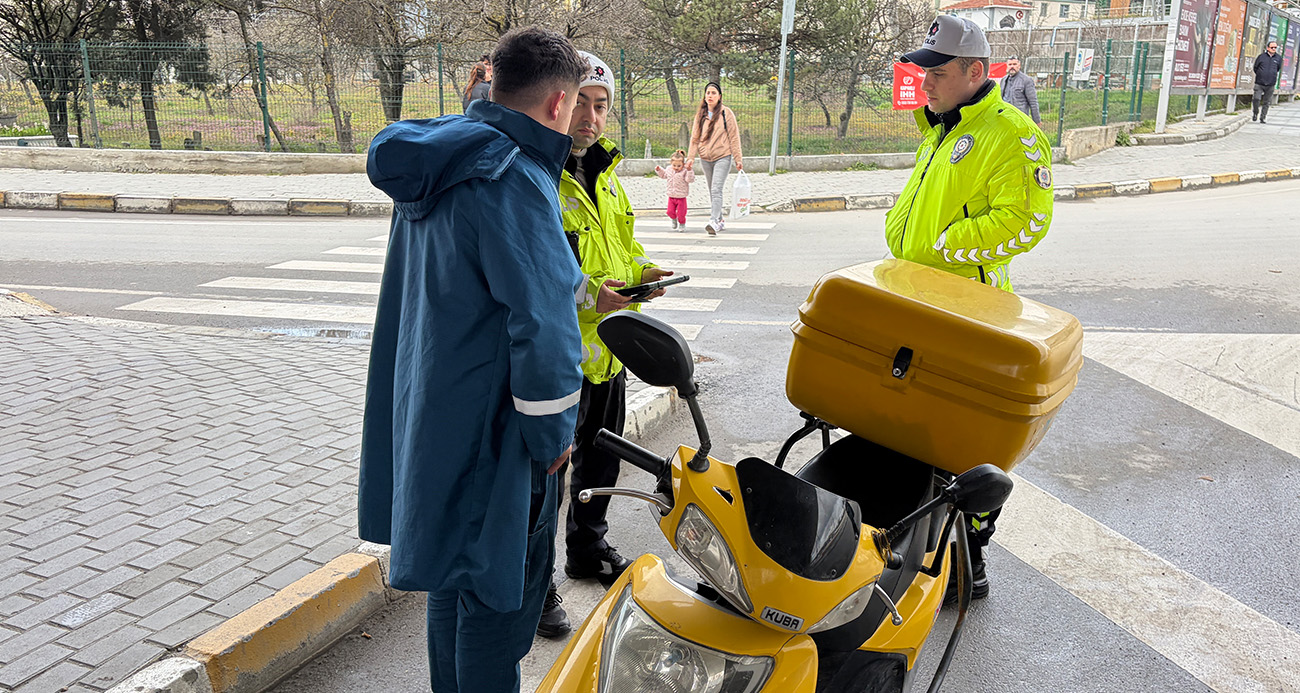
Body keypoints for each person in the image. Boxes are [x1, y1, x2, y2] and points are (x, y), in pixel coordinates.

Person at [357, 26, 589, 693]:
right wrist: (552, 436)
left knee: (452, 578)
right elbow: (543, 326)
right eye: (576, 105)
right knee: (498, 600)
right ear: (555, 105)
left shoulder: (444, 157)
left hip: (434, 414)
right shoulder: (514, 175)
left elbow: (490, 275)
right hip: (496, 431)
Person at [884, 15, 1055, 600]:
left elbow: (1027, 222)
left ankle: (970, 558)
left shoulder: (1013, 133)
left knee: (969, 443)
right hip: (920, 301)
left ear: (975, 72)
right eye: (923, 69)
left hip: (970, 309)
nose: (924, 80)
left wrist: (942, 246)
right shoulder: (943, 125)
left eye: (937, 70)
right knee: (913, 430)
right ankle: (920, 545)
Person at [535, 50, 674, 639]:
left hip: (608, 353)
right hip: (561, 360)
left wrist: (646, 274)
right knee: (545, 483)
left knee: (600, 461)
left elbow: (620, 253)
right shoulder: (541, 178)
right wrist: (596, 296)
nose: (590, 118)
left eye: (601, 107)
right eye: (581, 105)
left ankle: (587, 551)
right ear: (559, 104)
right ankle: (535, 587)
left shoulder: (606, 175)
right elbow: (541, 278)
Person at [686, 81, 742, 236]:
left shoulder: (726, 113)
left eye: (713, 93)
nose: (710, 96)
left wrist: (738, 159)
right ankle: (720, 219)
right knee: (712, 190)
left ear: (719, 96)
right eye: (708, 93)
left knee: (716, 188)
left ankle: (713, 221)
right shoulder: (701, 115)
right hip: (705, 158)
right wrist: (691, 158)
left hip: (722, 156)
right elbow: (694, 139)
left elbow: (734, 137)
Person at [655, 149, 695, 231]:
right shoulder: (669, 169)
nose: (676, 168)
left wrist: (689, 170)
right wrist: (659, 170)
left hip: (681, 196)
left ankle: (682, 223)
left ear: (683, 164)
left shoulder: (685, 171)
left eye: (679, 166)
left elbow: (689, 180)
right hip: (671, 195)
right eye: (674, 165)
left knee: (681, 213)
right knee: (670, 212)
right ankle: (674, 219)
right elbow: (664, 175)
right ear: (671, 163)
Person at [1000, 56, 1041, 127]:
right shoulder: (1004, 80)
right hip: (1005, 119)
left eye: (1014, 64)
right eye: (1010, 64)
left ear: (1019, 65)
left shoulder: (1026, 80)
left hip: (1020, 120)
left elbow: (1033, 102)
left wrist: (1037, 121)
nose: (1012, 66)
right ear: (1007, 66)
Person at [1253, 40, 1282, 123]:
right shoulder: (1261, 57)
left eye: (1275, 47)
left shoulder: (1278, 58)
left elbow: (1278, 69)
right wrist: (1260, 74)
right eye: (1272, 47)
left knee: (1267, 102)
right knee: (1256, 99)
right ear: (1268, 48)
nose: (1274, 49)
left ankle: (1263, 117)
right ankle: (1255, 113)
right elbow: (1255, 68)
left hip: (1270, 84)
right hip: (1259, 83)